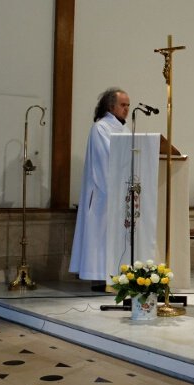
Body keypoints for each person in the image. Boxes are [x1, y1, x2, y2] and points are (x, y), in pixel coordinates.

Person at [70, 88, 131, 289]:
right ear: (110, 106)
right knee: (101, 237)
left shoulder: (124, 129)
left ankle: (119, 276)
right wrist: (118, 190)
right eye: (123, 105)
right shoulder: (101, 128)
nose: (127, 109)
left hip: (121, 194)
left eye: (128, 105)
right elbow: (106, 159)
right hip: (104, 195)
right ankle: (100, 277)